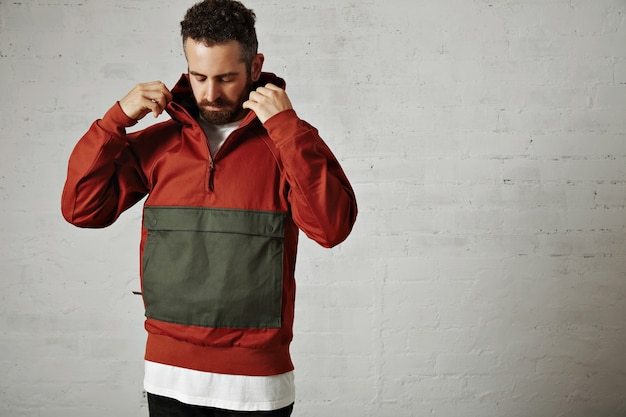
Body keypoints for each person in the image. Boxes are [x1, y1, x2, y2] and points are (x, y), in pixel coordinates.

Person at [61, 0, 357, 416]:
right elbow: (81, 209)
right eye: (198, 76)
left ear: (256, 68)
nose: (211, 93)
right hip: (168, 374)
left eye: (226, 78)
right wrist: (113, 124)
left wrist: (288, 130)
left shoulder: (287, 142)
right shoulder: (160, 144)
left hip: (257, 383)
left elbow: (332, 229)